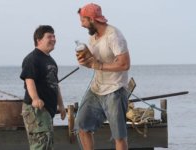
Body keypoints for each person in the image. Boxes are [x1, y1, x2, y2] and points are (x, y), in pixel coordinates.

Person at [75, 3, 131, 150]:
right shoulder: (92, 38)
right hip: (96, 88)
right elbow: (95, 63)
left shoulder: (114, 36)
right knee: (81, 126)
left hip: (115, 90)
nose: (82, 25)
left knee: (119, 136)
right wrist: (87, 62)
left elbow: (125, 64)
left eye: (83, 21)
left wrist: (98, 65)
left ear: (92, 19)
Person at [20, 25, 66, 150]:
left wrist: (61, 106)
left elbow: (55, 85)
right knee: (40, 145)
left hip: (47, 110)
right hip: (35, 110)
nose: (53, 39)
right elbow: (29, 79)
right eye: (49, 36)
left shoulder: (51, 60)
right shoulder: (32, 58)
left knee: (47, 144)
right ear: (38, 40)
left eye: (54, 36)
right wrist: (35, 98)